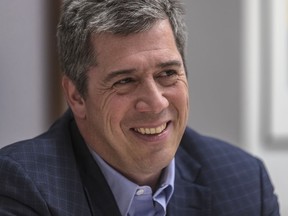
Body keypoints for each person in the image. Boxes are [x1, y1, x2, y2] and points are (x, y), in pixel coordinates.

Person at [0, 0, 280, 215]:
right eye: (125, 81)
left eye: (168, 73)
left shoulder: (243, 182)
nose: (156, 102)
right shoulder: (21, 187)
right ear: (77, 97)